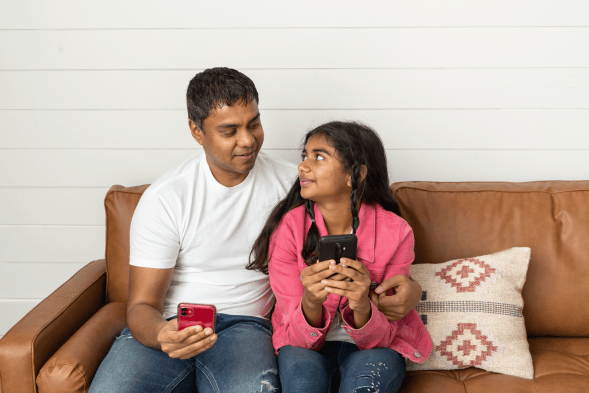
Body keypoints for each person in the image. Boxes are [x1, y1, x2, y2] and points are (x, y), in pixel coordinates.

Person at [89, 68, 423, 393]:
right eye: (229, 130)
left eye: (254, 124)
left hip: (246, 327)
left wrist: (410, 287)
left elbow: (362, 227)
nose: (248, 140)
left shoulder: (296, 185)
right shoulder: (166, 198)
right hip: (173, 320)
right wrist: (163, 334)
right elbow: (141, 306)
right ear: (196, 131)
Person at [248, 121, 433, 393]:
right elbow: (296, 337)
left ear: (355, 175)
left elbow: (383, 335)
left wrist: (361, 303)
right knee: (302, 384)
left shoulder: (396, 232)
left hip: (374, 345)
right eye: (305, 156)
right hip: (304, 345)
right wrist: (311, 300)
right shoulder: (289, 228)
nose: (302, 166)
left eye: (319, 156)